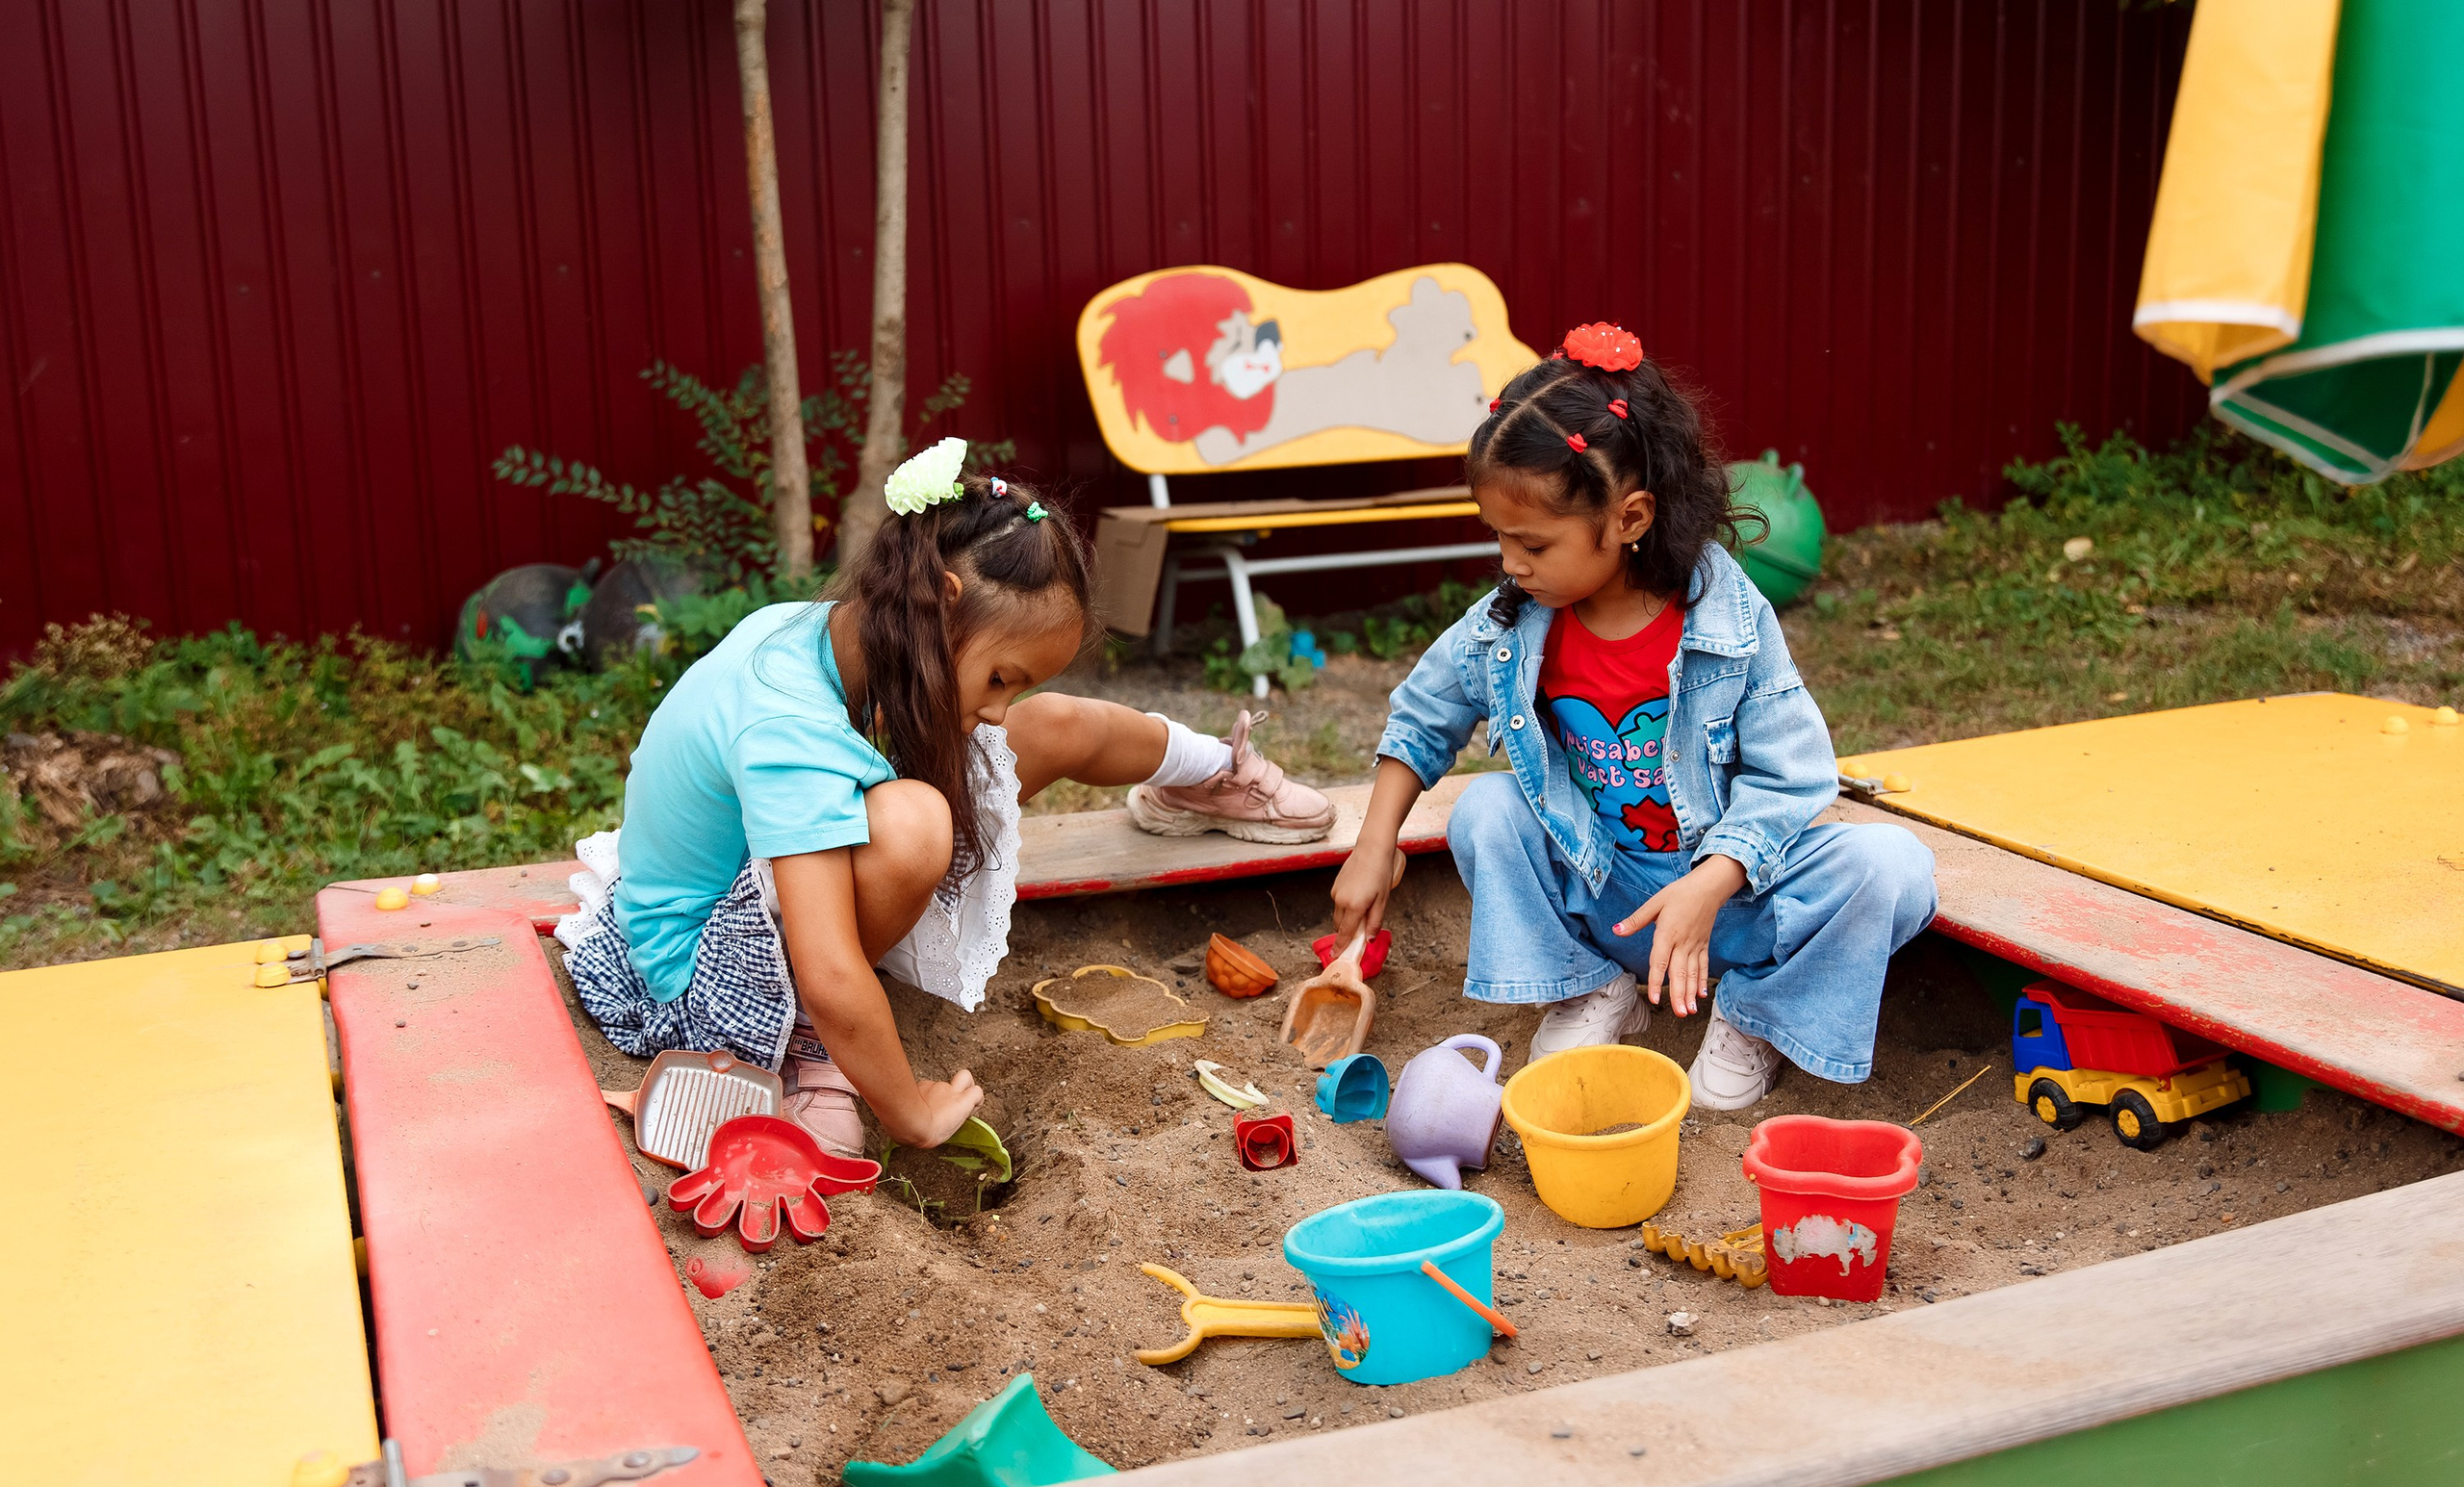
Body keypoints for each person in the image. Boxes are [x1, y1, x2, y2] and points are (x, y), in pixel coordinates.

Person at [559, 439, 1335, 1155]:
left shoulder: (841, 634)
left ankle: (1205, 773)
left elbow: (1048, 724)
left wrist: (1010, 701)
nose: (1000, 705)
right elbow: (829, 971)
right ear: (939, 598)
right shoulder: (789, 723)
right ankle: (807, 1048)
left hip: (756, 893)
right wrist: (910, 1109)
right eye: (1000, 676)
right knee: (915, 825)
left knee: (1041, 730)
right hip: (698, 982)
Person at [1328, 324, 1936, 1109]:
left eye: (1534, 543)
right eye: (1500, 538)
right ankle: (1590, 986)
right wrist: (1375, 845)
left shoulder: (1726, 619)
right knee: (1486, 808)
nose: (1511, 564)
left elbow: (1795, 777)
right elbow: (1426, 710)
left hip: (1734, 900)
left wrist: (1712, 881)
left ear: (1631, 518)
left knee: (1895, 870)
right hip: (1608, 892)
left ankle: (1754, 1014)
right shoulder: (1515, 620)